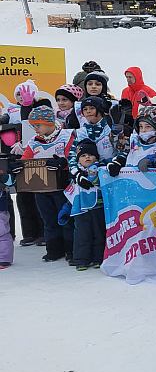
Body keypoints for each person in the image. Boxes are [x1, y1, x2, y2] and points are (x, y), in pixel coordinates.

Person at [16, 106, 75, 262]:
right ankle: (53, 249)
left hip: (63, 187)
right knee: (48, 219)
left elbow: (72, 157)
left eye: (38, 125)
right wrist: (17, 166)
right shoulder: (34, 142)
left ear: (49, 122)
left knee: (65, 218)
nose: (35, 129)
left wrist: (63, 163)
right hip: (41, 187)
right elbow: (25, 160)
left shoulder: (66, 136)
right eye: (32, 126)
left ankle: (70, 249)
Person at [65, 138, 107, 270]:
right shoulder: (75, 173)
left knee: (99, 234)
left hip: (98, 207)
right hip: (81, 209)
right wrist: (66, 208)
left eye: (90, 155)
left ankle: (98, 258)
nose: (87, 157)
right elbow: (70, 192)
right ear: (78, 160)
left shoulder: (101, 170)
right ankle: (81, 260)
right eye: (83, 155)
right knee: (82, 235)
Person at [125, 105, 156, 172]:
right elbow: (122, 152)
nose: (143, 130)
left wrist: (153, 160)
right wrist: (118, 162)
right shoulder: (134, 141)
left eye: (148, 127)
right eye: (141, 126)